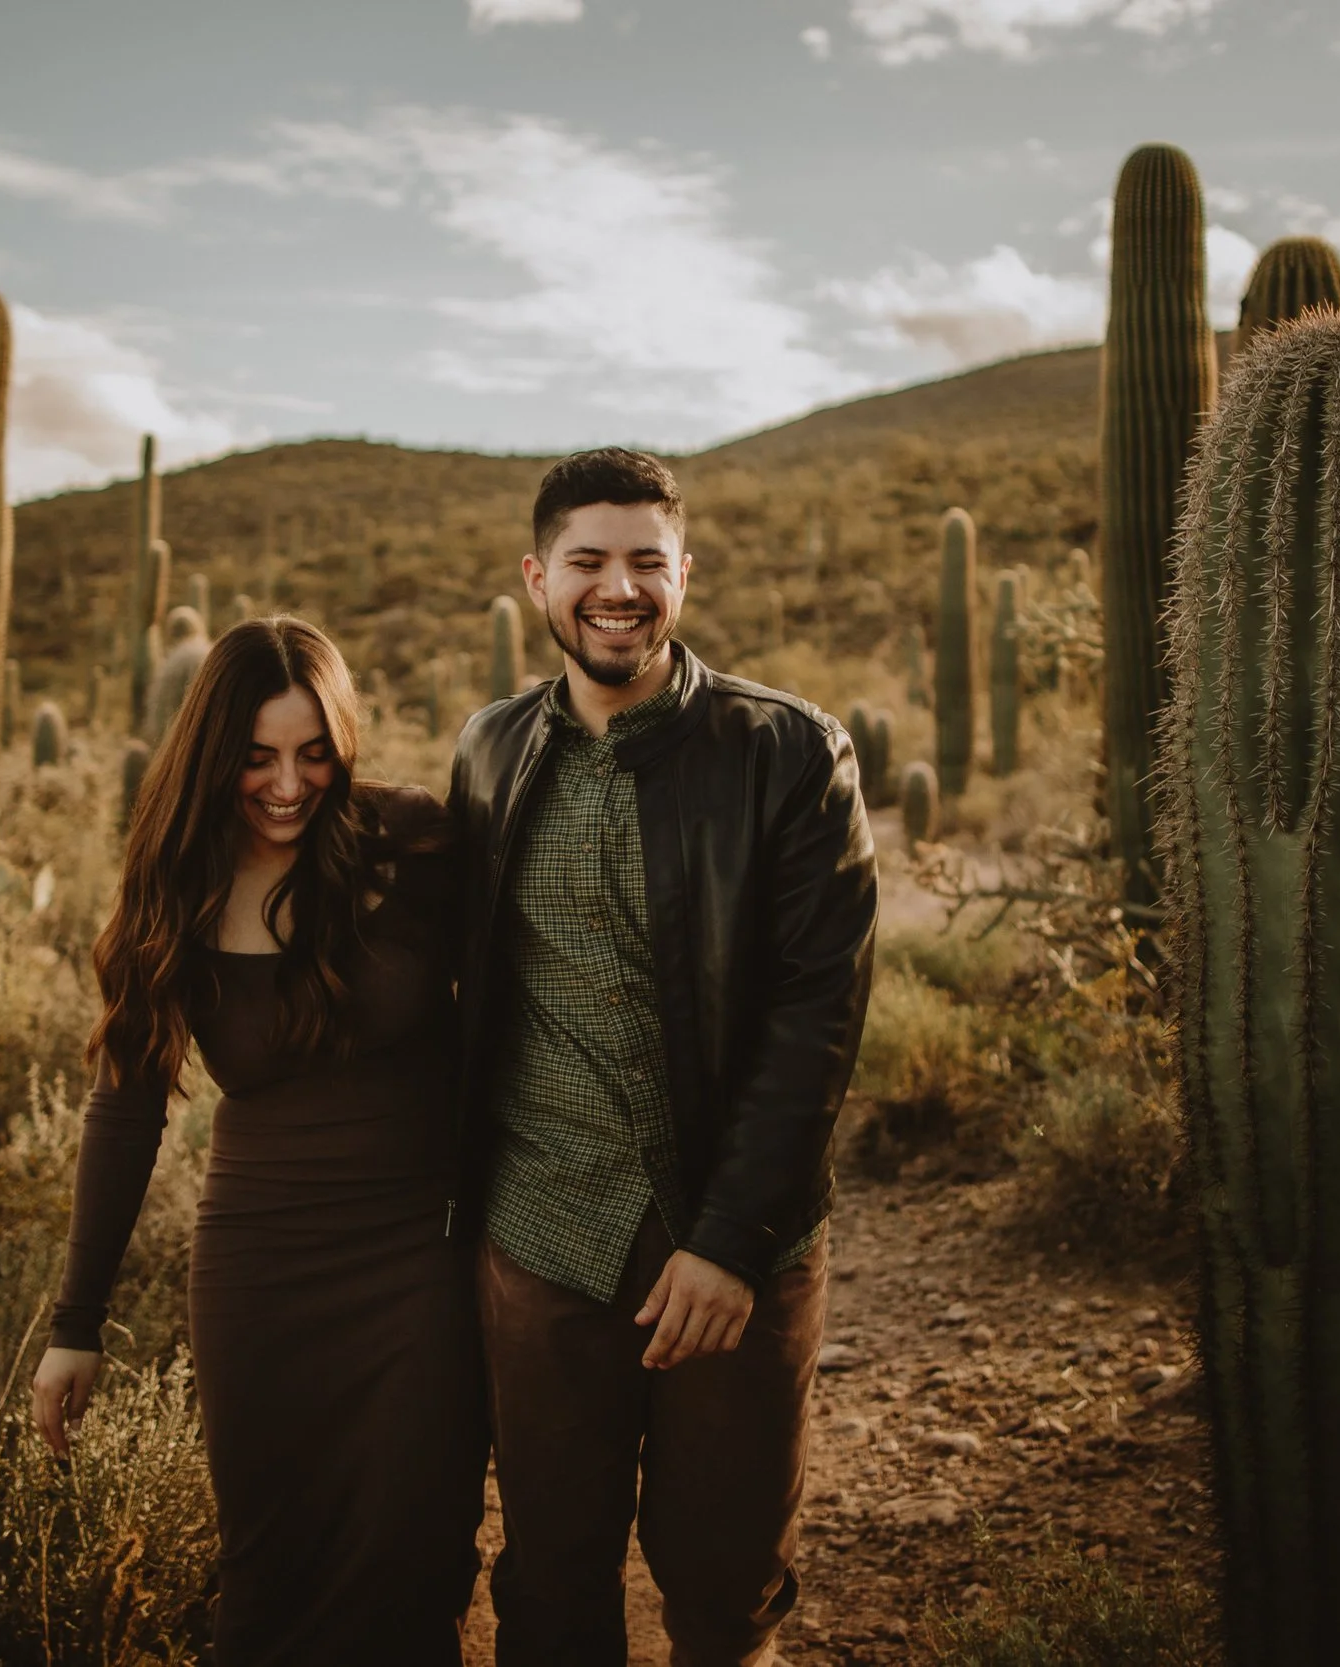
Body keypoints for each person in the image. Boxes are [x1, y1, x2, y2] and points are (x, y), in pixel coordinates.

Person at [449, 448, 879, 1664]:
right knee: (551, 1572)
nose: (617, 588)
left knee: (725, 1576)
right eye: (587, 561)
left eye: (646, 561)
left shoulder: (788, 753)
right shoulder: (489, 749)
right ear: (539, 579)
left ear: (683, 574)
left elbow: (817, 1014)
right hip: (542, 1231)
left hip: (733, 1242)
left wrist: (730, 1239)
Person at [31, 616, 486, 1664]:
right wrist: (76, 1321)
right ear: (211, 753)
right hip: (260, 1266)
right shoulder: (173, 888)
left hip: (421, 1251)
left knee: (414, 1558)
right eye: (257, 756)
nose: (288, 783)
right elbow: (125, 1108)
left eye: (312, 750)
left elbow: (513, 1011)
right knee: (269, 1569)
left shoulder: (409, 840)